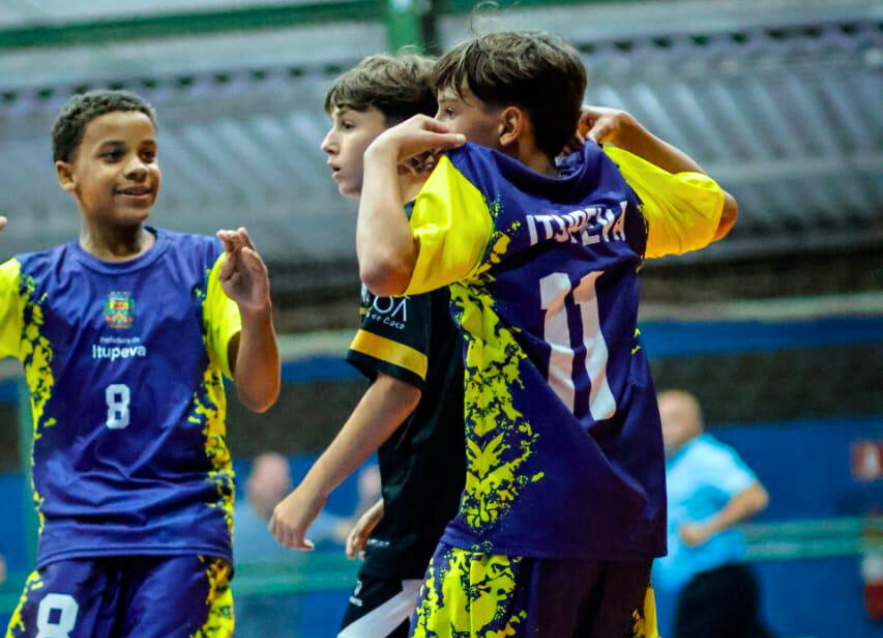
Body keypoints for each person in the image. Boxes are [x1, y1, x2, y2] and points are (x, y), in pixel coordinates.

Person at [356, 31, 738, 638]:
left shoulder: (476, 183)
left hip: (520, 511)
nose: (437, 125)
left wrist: (381, 158)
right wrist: (634, 133)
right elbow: (719, 212)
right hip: (623, 513)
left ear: (508, 126)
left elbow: (384, 268)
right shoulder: (612, 183)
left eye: (450, 111)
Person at [1, 89, 280, 638]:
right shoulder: (29, 283)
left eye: (148, 155)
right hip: (75, 534)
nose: (137, 169)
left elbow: (260, 392)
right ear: (67, 174)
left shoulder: (203, 266)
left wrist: (257, 312)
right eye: (113, 155)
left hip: (182, 530)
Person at [268, 54, 466, 638]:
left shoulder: (403, 234)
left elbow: (399, 387)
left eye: (349, 124)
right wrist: (408, 490)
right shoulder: (460, 220)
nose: (328, 143)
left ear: (411, 137)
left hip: (435, 529)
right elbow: (448, 388)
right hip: (451, 505)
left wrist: (312, 488)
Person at [653, 390, 773, 638]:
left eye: (671, 420)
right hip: (703, 586)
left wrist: (707, 528)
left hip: (717, 583)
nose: (662, 429)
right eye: (657, 420)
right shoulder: (671, 464)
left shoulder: (706, 456)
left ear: (695, 421)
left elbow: (754, 497)